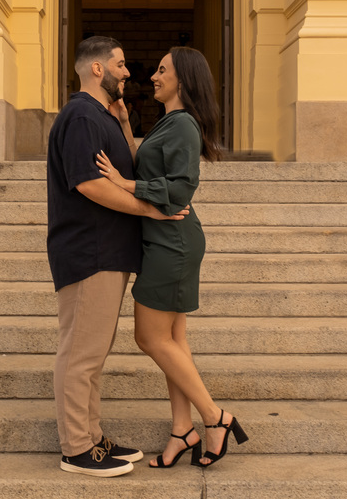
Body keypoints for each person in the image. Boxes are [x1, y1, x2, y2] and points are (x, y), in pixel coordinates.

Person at [95, 46, 248, 469]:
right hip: (165, 240)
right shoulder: (171, 123)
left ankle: (216, 417)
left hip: (172, 243)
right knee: (173, 341)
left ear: (183, 79)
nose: (154, 76)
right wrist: (126, 126)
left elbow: (179, 190)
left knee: (150, 337)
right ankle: (182, 430)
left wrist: (125, 186)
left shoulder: (183, 127)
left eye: (162, 71)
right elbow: (147, 169)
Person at [46, 35, 189, 478]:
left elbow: (128, 170)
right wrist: (153, 210)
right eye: (122, 65)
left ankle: (91, 438)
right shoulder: (81, 116)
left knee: (92, 353)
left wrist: (125, 125)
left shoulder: (102, 115)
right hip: (91, 251)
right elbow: (91, 184)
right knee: (81, 354)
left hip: (106, 251)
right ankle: (76, 447)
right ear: (97, 69)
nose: (129, 73)